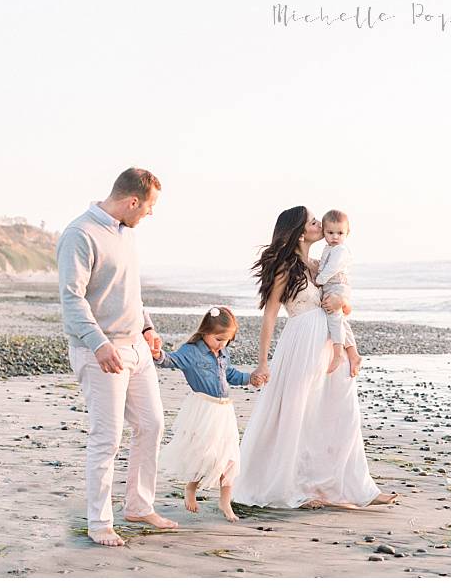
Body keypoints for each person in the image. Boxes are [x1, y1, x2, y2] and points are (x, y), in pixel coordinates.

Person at [232, 206, 398, 509]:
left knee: (341, 414)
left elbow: (340, 303)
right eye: (311, 221)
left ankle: (358, 488)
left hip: (328, 343)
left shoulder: (321, 264)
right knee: (301, 415)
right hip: (301, 343)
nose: (318, 224)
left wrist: (343, 303)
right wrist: (263, 361)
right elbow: (269, 315)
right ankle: (294, 487)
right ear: (298, 231)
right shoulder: (286, 267)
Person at [57, 167, 178, 547]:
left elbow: (130, 292)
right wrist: (98, 343)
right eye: (149, 207)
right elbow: (72, 298)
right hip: (101, 352)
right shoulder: (80, 234)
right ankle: (99, 522)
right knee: (106, 438)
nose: (150, 214)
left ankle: (139, 506)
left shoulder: (126, 234)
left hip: (136, 349)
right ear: (132, 201)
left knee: (152, 424)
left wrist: (147, 328)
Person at [152, 306, 265, 522]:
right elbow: (171, 360)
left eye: (227, 341)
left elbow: (229, 374)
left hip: (224, 410)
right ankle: (191, 488)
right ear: (206, 331)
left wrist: (249, 378)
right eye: (219, 339)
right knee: (205, 453)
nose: (222, 344)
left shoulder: (223, 353)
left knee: (230, 455)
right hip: (204, 409)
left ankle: (225, 500)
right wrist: (158, 354)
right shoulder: (192, 351)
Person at [314, 209, 360, 375]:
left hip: (337, 285)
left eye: (340, 233)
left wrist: (319, 280)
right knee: (340, 320)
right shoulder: (329, 248)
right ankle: (353, 354)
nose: (335, 237)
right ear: (324, 232)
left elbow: (332, 268)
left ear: (347, 233)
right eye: (330, 232)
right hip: (332, 285)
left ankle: (338, 352)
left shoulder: (340, 250)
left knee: (333, 316)